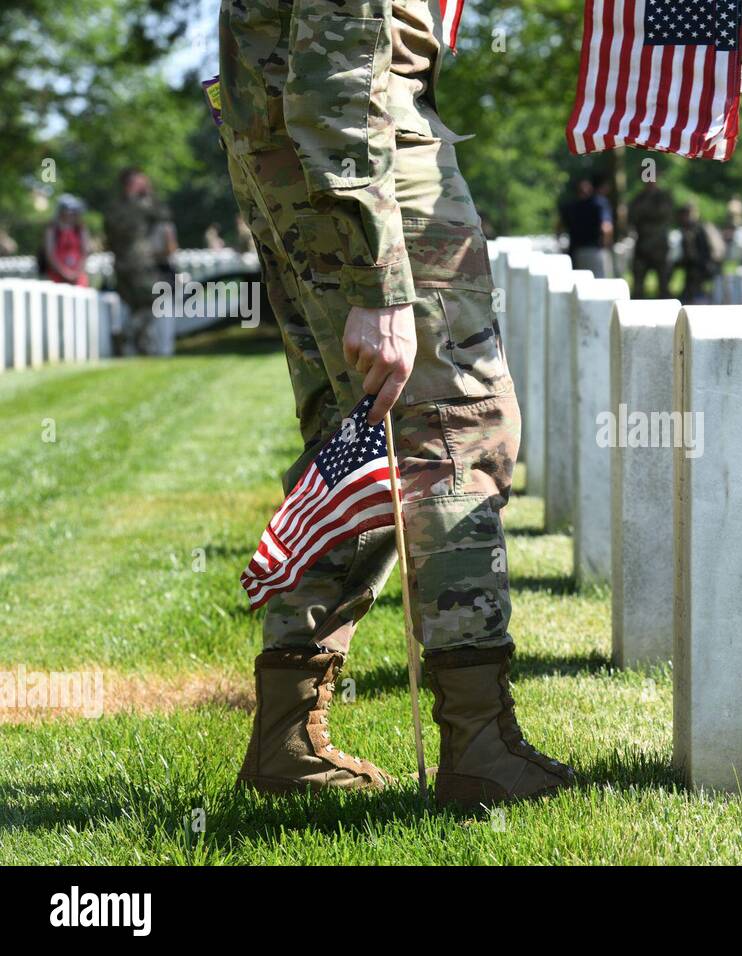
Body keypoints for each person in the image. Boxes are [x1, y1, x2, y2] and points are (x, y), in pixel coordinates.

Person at [219, 0, 574, 805]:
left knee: (358, 443)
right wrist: (381, 280)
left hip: (301, 160)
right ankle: (479, 744)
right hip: (368, 167)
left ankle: (287, 735)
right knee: (453, 433)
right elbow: (337, 72)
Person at [104, 168, 177, 355]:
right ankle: (128, 338)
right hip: (139, 265)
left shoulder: (114, 208)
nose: (146, 185)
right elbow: (164, 214)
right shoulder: (138, 206)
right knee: (150, 303)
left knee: (138, 306)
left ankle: (137, 344)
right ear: (131, 184)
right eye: (141, 181)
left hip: (124, 265)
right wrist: (148, 194)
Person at [558, 174, 613, 277]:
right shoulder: (600, 203)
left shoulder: (569, 206)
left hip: (575, 252)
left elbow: (559, 228)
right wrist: (606, 246)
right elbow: (606, 227)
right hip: (595, 251)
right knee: (598, 285)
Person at [627, 179, 674, 298]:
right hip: (643, 246)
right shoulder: (639, 198)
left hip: (660, 246)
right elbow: (632, 218)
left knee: (664, 285)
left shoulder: (663, 197)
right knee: (638, 287)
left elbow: (666, 214)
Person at [676, 202, 724, 304]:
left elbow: (712, 252)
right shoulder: (688, 230)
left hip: (705, 267)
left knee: (694, 294)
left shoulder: (701, 229)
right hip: (695, 267)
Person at [42, 196, 91, 286]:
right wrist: (64, 273)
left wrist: (76, 273)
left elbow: (85, 252)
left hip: (78, 276)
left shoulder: (80, 229)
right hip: (56, 276)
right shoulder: (53, 229)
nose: (71, 214)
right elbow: (50, 254)